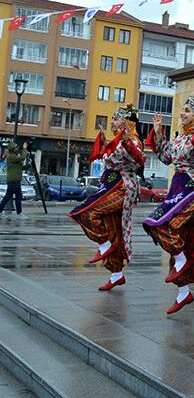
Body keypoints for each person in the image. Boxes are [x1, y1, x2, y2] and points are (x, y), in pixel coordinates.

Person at [142, 92, 194, 315]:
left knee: (168, 225)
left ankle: (183, 260)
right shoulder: (181, 137)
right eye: (183, 110)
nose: (182, 115)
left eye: (186, 111)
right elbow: (167, 157)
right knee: (159, 226)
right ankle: (183, 291)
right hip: (177, 188)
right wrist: (158, 135)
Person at [68, 104, 146, 290]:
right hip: (111, 185)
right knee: (114, 229)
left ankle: (104, 244)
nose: (111, 121)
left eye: (115, 118)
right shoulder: (119, 141)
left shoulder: (133, 140)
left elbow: (133, 159)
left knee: (87, 212)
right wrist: (105, 144)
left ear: (126, 122)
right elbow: (111, 156)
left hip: (122, 187)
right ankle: (116, 273)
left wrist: (115, 145)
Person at [0, 140, 29, 218]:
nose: (17, 148)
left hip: (14, 181)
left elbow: (20, 168)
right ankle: (19, 214)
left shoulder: (15, 157)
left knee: (7, 197)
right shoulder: (12, 156)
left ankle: (0, 210)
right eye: (16, 147)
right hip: (14, 181)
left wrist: (29, 165)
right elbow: (23, 157)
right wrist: (25, 148)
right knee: (18, 197)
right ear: (12, 149)